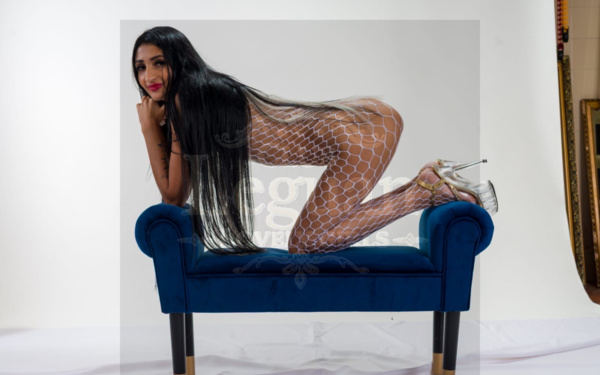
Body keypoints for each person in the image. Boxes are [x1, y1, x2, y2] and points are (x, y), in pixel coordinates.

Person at [132, 26, 497, 256]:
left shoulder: (186, 101)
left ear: (179, 62)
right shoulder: (198, 97)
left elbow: (173, 196)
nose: (149, 76)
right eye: (141, 67)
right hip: (363, 122)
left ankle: (425, 192)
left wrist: (148, 128)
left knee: (306, 243)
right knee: (308, 239)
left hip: (359, 134)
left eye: (158, 62)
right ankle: (428, 183)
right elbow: (179, 191)